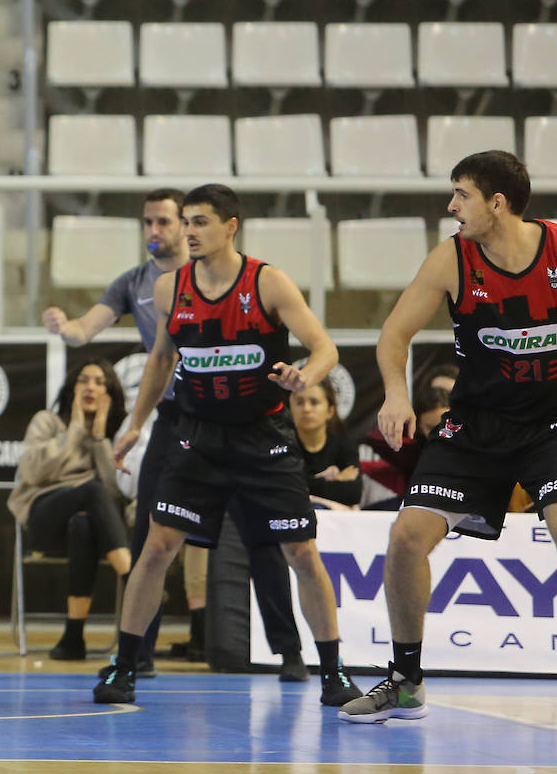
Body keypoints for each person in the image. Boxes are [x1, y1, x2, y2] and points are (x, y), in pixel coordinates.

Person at [91, 184, 362, 708]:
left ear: (230, 225)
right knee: (157, 547)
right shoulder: (172, 288)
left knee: (301, 552)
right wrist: (134, 424)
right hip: (198, 437)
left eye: (199, 222)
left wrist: (306, 376)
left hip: (264, 437)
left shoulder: (268, 282)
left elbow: (324, 347)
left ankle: (332, 672)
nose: (188, 231)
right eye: (185, 222)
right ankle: (124, 665)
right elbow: (161, 360)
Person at [340, 151, 557, 723]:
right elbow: (394, 334)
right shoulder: (452, 259)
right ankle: (405, 679)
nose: (452, 206)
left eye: (462, 195)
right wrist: (397, 395)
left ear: (497, 203)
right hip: (474, 424)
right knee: (405, 538)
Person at [44, 190, 307, 681]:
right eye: (150, 222)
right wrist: (66, 327)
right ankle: (135, 657)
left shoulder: (234, 274)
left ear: (214, 227)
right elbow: (101, 335)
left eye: (167, 221)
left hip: (245, 422)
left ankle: (289, 652)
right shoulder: (143, 283)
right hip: (179, 419)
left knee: (265, 537)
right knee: (153, 535)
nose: (157, 231)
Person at [7, 359, 133, 661]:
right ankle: (133, 578)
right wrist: (75, 429)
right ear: (72, 388)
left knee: (84, 524)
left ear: (110, 393)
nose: (91, 387)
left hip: (88, 531)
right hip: (43, 517)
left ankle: (72, 637)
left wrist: (100, 439)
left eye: (100, 382)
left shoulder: (118, 433)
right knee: (90, 489)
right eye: (84, 380)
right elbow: (34, 473)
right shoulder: (47, 422)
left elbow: (117, 491)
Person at [292, 378, 362, 510]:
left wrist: (308, 482)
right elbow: (285, 488)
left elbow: (354, 492)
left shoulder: (344, 444)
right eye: (300, 402)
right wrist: (334, 480)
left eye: (314, 402)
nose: (306, 409)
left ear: (330, 411)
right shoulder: (286, 445)